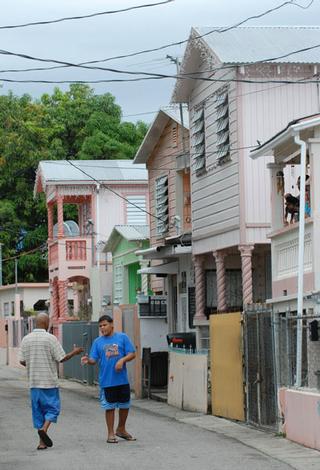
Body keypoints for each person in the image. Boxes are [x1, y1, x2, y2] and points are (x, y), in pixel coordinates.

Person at [18, 313, 83, 450]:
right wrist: (74, 352)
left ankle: (42, 443)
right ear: (47, 323)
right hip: (49, 382)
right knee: (53, 409)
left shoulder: (26, 339)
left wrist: (34, 364)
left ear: (36, 323)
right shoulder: (50, 338)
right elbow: (62, 358)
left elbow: (23, 361)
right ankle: (44, 429)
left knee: (38, 412)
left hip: (34, 383)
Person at [81, 315, 136, 443]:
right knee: (109, 407)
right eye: (100, 326)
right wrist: (88, 360)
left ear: (112, 325)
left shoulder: (122, 337)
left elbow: (132, 353)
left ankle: (121, 429)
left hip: (122, 380)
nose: (102, 328)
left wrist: (122, 360)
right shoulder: (98, 342)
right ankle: (111, 433)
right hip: (107, 381)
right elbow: (93, 360)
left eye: (104, 325)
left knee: (125, 405)